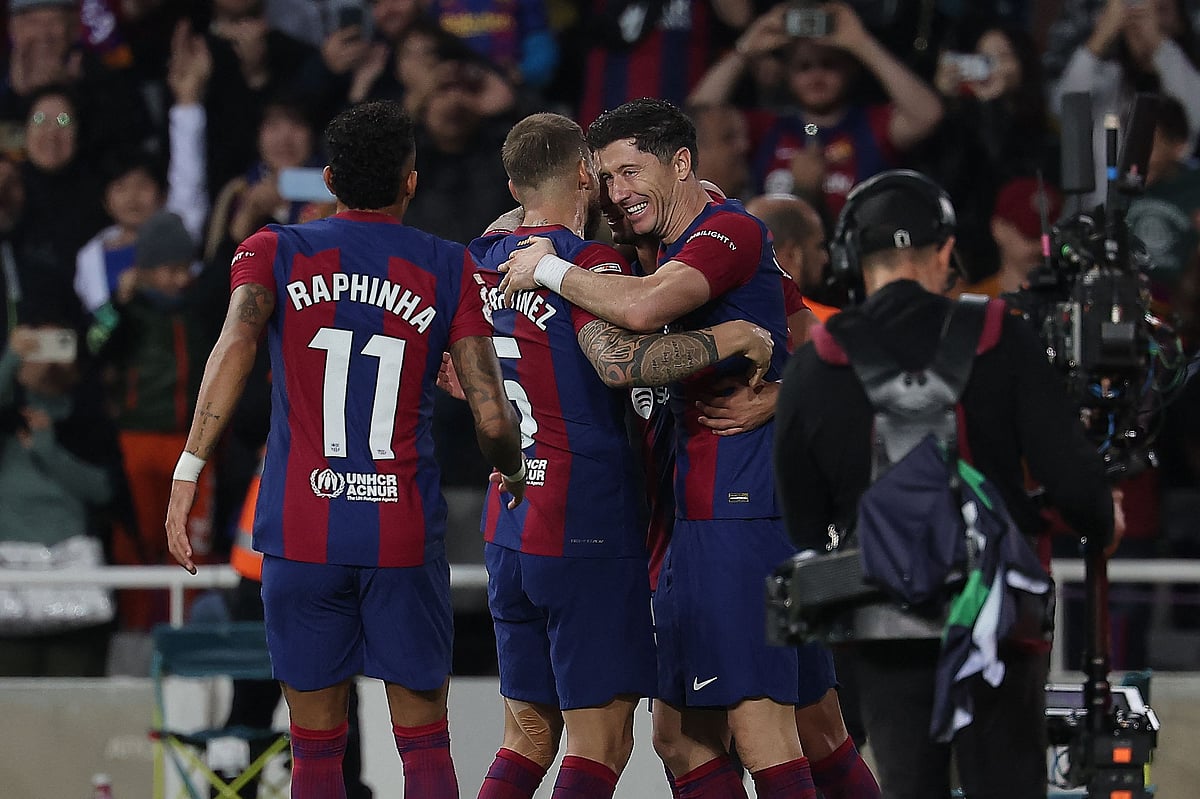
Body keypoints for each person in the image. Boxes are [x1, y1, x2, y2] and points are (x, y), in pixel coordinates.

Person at [163, 99, 527, 799]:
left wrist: (189, 468)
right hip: (400, 529)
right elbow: (490, 410)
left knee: (316, 750)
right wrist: (512, 470)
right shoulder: (449, 266)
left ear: (328, 178)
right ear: (410, 182)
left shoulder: (274, 250)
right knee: (423, 744)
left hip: (302, 527)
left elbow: (234, 345)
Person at [501, 97, 820, 799]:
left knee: (765, 729)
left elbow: (643, 314)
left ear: (681, 165)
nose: (618, 192)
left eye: (630, 171)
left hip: (741, 508)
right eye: (605, 178)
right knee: (683, 735)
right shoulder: (650, 248)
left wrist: (550, 269)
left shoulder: (727, 230)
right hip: (688, 518)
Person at [773, 169, 1125, 798]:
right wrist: (1102, 520)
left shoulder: (814, 364)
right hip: (998, 628)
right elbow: (1076, 486)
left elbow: (800, 520)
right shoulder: (1002, 336)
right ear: (943, 252)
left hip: (883, 626)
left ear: (854, 259)